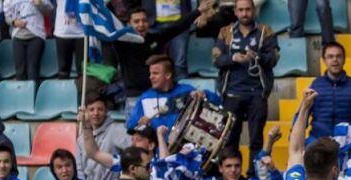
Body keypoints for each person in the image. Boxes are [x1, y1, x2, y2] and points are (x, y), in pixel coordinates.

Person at [214, 0, 279, 166]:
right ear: (235, 11)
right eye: (241, 10)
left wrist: (257, 56)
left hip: (257, 93)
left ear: (254, 11)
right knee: (229, 141)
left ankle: (254, 177)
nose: (244, 14)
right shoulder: (225, 31)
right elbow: (216, 59)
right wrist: (233, 58)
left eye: (248, 10)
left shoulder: (266, 31)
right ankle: (230, 179)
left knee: (256, 141)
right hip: (231, 93)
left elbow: (274, 58)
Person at [114, 4, 211, 111]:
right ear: (129, 24)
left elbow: (176, 27)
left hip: (156, 95)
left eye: (144, 21)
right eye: (136, 22)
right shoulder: (121, 43)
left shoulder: (154, 38)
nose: (141, 24)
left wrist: (197, 11)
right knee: (134, 127)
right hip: (135, 98)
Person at [305, 42, 351, 147]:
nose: (335, 60)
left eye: (338, 56)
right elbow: (302, 114)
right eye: (330, 56)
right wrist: (295, 136)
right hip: (318, 142)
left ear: (344, 60)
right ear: (324, 61)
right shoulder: (315, 86)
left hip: (348, 144)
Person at [126, 54, 220, 133]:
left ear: (168, 75)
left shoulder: (186, 91)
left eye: (155, 73)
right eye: (150, 73)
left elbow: (217, 102)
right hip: (159, 149)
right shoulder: (145, 98)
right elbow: (130, 126)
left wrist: (204, 95)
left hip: (184, 148)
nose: (151, 77)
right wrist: (140, 123)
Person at [80, 108, 159, 180]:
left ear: (151, 145)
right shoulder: (125, 162)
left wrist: (160, 135)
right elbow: (93, 153)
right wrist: (86, 126)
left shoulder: (160, 166)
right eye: (132, 139)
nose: (133, 144)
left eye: (138, 140)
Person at [75, 94, 131, 180]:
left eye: (100, 109)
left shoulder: (117, 130)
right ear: (86, 112)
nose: (96, 113)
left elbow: (134, 153)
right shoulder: (81, 139)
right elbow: (79, 167)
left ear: (106, 111)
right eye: (91, 109)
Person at [142, 0, 194, 79]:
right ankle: (151, 89)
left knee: (179, 64)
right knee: (151, 62)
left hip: (180, 21)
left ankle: (183, 90)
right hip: (153, 23)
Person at [4, 0, 52, 82]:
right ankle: (21, 94)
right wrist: (14, 22)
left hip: (36, 35)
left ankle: (33, 94)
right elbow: (7, 16)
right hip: (18, 36)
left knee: (32, 71)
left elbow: (49, 10)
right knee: (20, 72)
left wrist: (40, 4)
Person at [53, 0, 84, 79]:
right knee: (63, 69)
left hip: (82, 33)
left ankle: (82, 90)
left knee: (83, 70)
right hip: (62, 33)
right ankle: (63, 91)